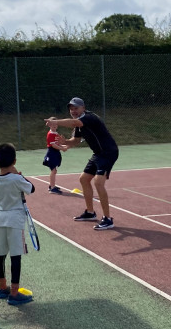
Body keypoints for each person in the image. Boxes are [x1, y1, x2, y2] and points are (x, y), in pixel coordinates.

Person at [45, 97, 119, 230]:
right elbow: (76, 140)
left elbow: (74, 123)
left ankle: (108, 219)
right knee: (84, 179)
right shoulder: (80, 123)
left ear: (83, 108)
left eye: (76, 108)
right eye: (71, 109)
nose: (73, 111)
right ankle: (90, 213)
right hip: (98, 154)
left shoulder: (89, 117)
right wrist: (65, 142)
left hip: (108, 152)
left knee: (98, 182)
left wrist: (55, 122)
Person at [0, 143, 36, 305]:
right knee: (16, 256)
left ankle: (3, 288)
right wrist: (20, 175)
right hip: (15, 220)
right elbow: (32, 188)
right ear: (14, 161)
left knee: (0, 254)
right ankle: (14, 293)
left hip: (0, 218)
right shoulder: (17, 179)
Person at [42, 124, 67, 193]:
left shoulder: (56, 133)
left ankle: (51, 186)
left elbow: (58, 143)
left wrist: (64, 146)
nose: (54, 126)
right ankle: (52, 188)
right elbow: (53, 145)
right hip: (51, 153)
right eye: (52, 125)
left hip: (56, 153)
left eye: (55, 125)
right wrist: (62, 148)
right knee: (53, 171)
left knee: (54, 170)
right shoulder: (50, 134)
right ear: (49, 126)